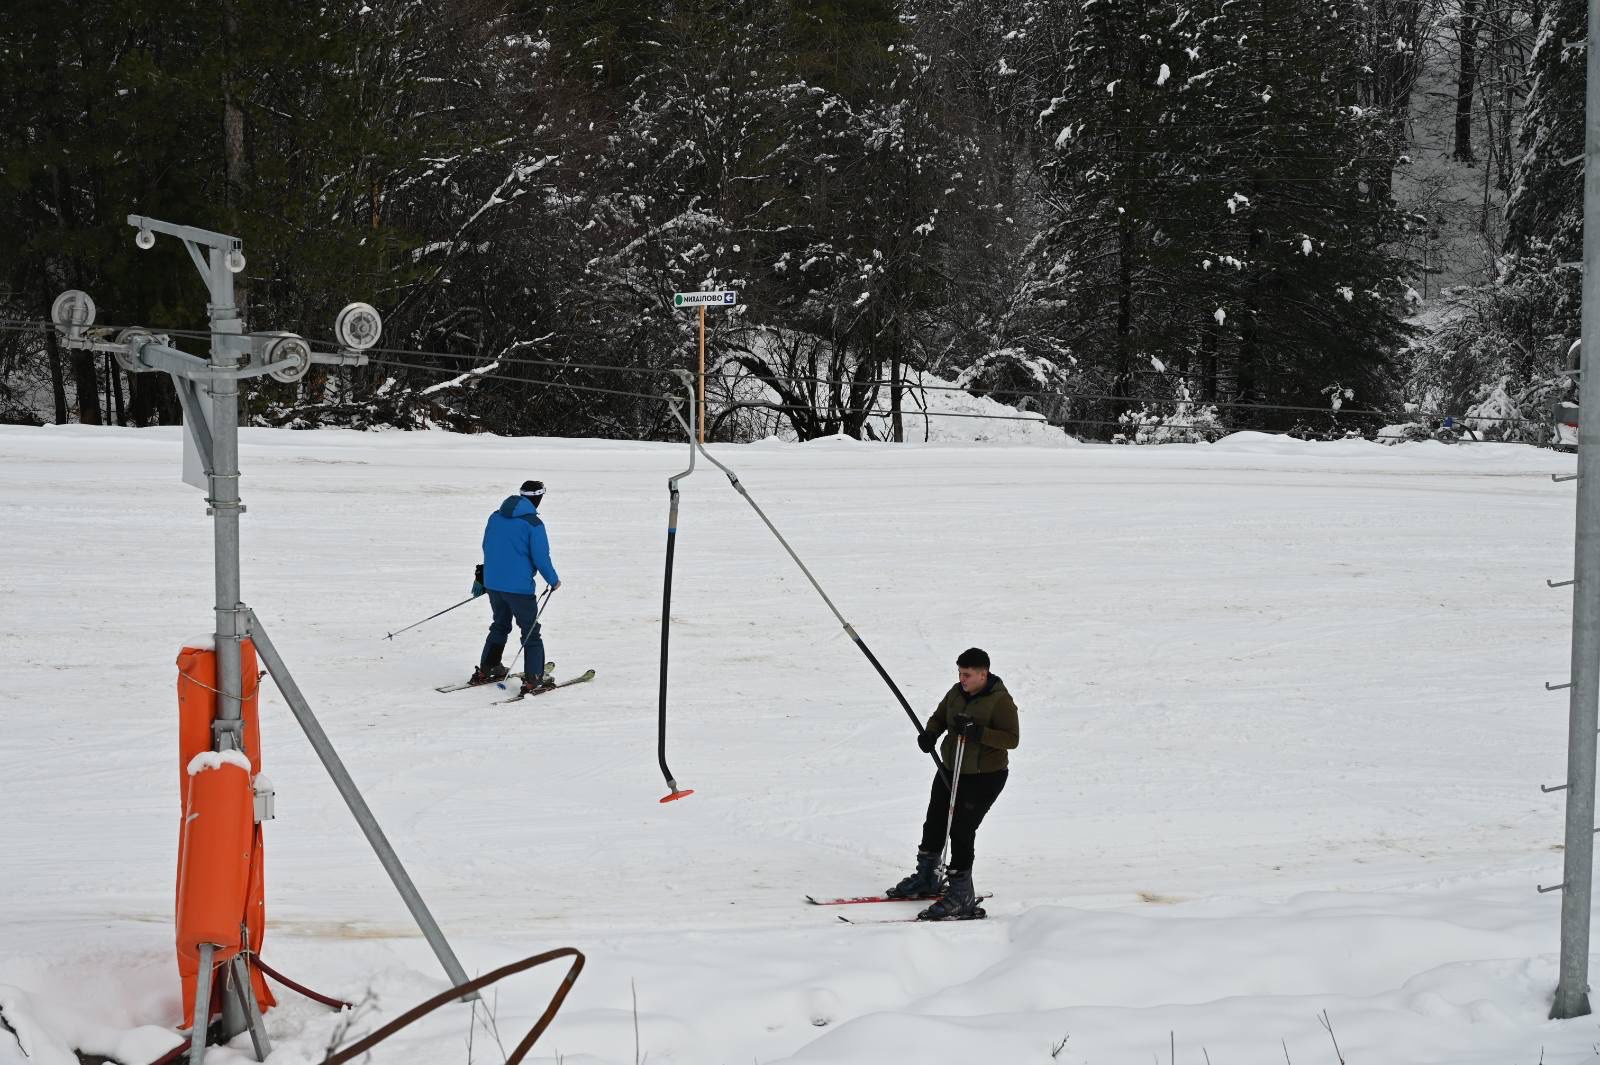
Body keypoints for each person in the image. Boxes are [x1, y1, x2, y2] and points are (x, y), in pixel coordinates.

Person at [886, 647, 1019, 920]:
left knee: (961, 829)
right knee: (935, 820)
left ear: (984, 674)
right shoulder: (956, 693)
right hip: (950, 768)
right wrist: (930, 734)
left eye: (968, 675)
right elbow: (939, 717)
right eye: (960, 673)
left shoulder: (1000, 701)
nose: (962, 679)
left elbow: (1011, 739)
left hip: (985, 776)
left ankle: (961, 895)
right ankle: (927, 877)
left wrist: (978, 732)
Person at [470, 479, 562, 694]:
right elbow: (541, 557)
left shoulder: (495, 516)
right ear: (538, 498)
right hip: (519, 589)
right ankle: (534, 679)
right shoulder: (533, 524)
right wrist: (553, 580)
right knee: (531, 633)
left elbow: (487, 546)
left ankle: (489, 667)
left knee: (500, 625)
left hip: (494, 584)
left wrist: (484, 577)